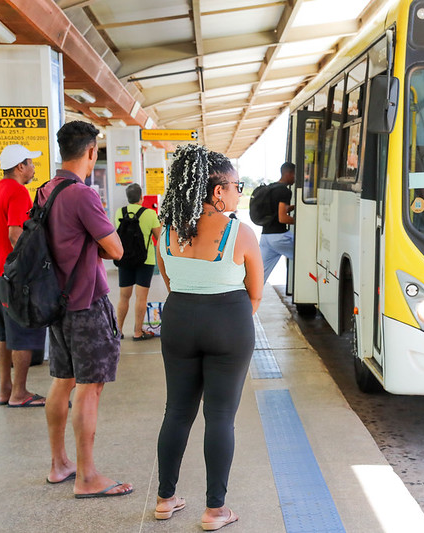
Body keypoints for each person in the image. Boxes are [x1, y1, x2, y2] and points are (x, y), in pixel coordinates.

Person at [154, 144, 262, 529]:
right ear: (218, 192)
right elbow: (255, 291)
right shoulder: (241, 233)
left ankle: (165, 499)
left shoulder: (164, 230)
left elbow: (170, 282)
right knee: (220, 416)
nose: (239, 192)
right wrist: (230, 325)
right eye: (237, 185)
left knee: (177, 412)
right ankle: (215, 510)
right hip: (229, 320)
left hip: (180, 320)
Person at [39, 121, 133, 498]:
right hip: (85, 304)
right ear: (92, 152)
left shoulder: (45, 190)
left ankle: (60, 464)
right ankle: (88, 476)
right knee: (89, 389)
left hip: (57, 305)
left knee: (62, 382)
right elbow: (116, 250)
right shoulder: (82, 195)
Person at [0, 144, 47, 407]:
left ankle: (5, 390)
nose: (33, 167)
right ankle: (19, 393)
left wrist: (3, 260)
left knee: (3, 334)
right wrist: (25, 267)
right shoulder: (19, 192)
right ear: (20, 166)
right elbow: (15, 233)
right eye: (31, 163)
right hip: (16, 278)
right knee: (22, 332)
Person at [114, 183, 161, 340]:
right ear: (141, 197)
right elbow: (159, 237)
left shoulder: (119, 212)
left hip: (125, 259)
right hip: (145, 260)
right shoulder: (150, 214)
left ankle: (118, 330)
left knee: (123, 296)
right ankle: (137, 332)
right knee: (141, 297)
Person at [259, 162, 295, 283]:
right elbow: (282, 218)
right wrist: (302, 221)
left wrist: (292, 208)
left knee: (259, 275)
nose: (295, 178)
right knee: (307, 255)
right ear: (289, 174)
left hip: (265, 237)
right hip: (279, 237)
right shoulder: (285, 191)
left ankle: (248, 300)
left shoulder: (271, 188)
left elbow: (275, 211)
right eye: (295, 175)